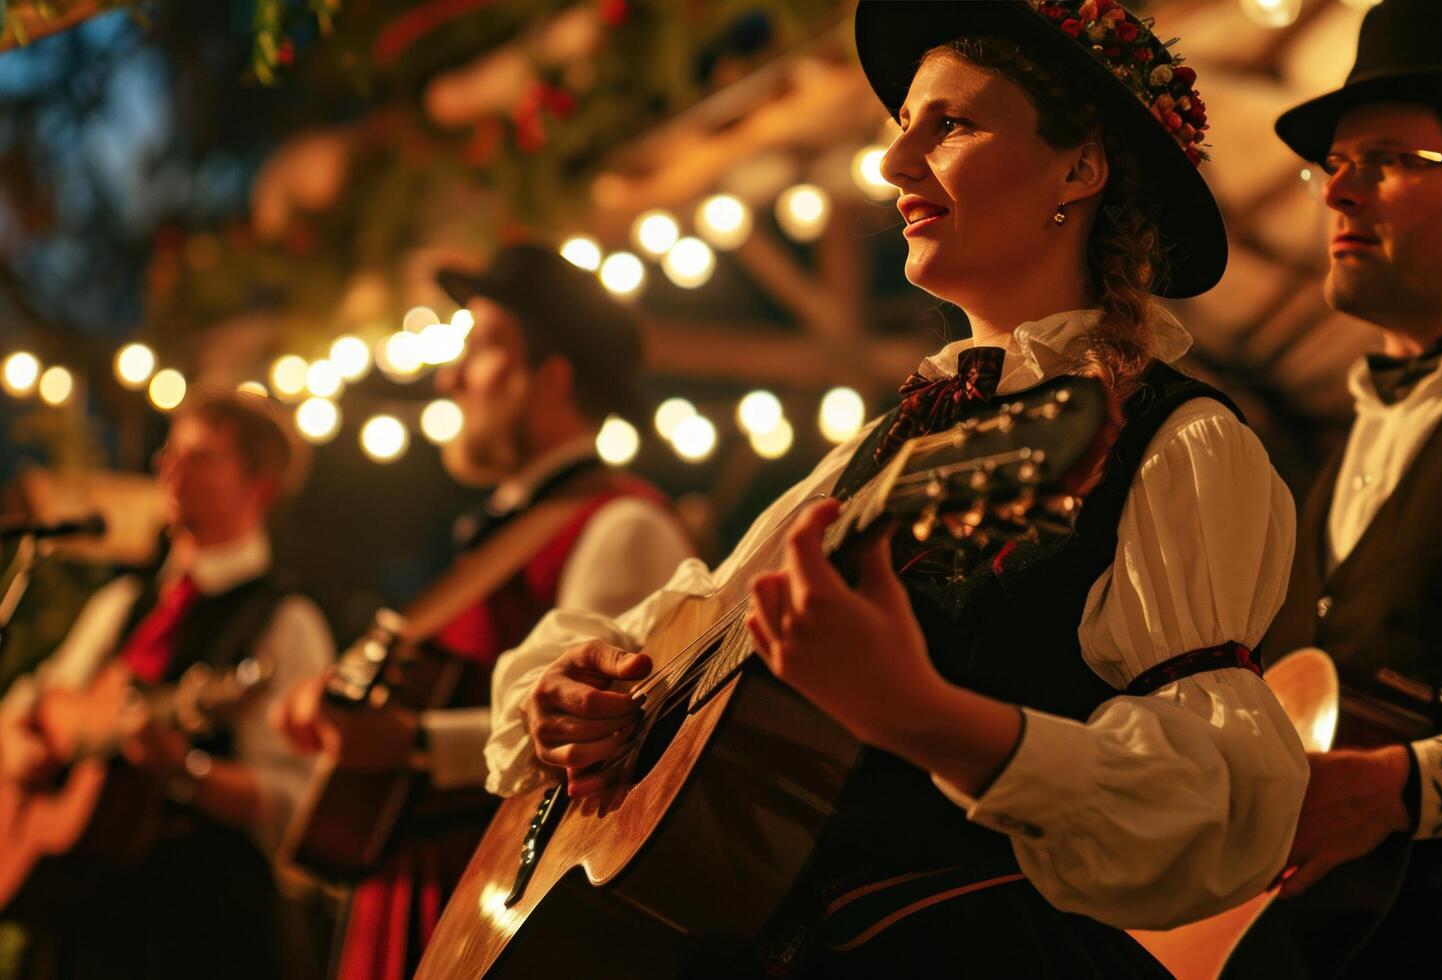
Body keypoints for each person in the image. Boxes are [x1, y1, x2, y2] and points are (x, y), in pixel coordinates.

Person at [483, 2, 1307, 975]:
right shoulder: (889, 443)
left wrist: (924, 714)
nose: (893, 163)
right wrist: (573, 688)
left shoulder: (1181, 440)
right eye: (901, 126)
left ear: (1081, 169)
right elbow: (687, 619)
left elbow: (1221, 805)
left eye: (950, 125)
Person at [274, 243, 691, 980]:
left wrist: (413, 743)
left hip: (499, 911)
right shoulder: (491, 538)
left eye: (482, 349)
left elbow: (611, 728)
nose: (449, 377)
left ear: (551, 379)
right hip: (421, 895)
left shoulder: (622, 523)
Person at [1228, 0, 1442, 975]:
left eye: (1384, 158)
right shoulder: (1343, 447)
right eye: (1333, 163)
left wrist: (1417, 784)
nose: (1338, 191)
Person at [0, 389, 334, 979]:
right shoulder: (125, 601)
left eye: (200, 455)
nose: (169, 469)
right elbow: (36, 700)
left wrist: (187, 770)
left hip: (199, 928)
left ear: (260, 484)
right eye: (169, 452)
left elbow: (296, 801)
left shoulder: (286, 621)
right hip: (83, 918)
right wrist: (21, 747)